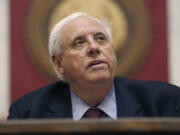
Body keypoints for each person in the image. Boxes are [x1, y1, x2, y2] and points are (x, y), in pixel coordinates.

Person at [8, 12, 180, 120]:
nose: (94, 48)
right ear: (59, 63)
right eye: (79, 42)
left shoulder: (166, 103)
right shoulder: (27, 113)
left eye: (100, 39)